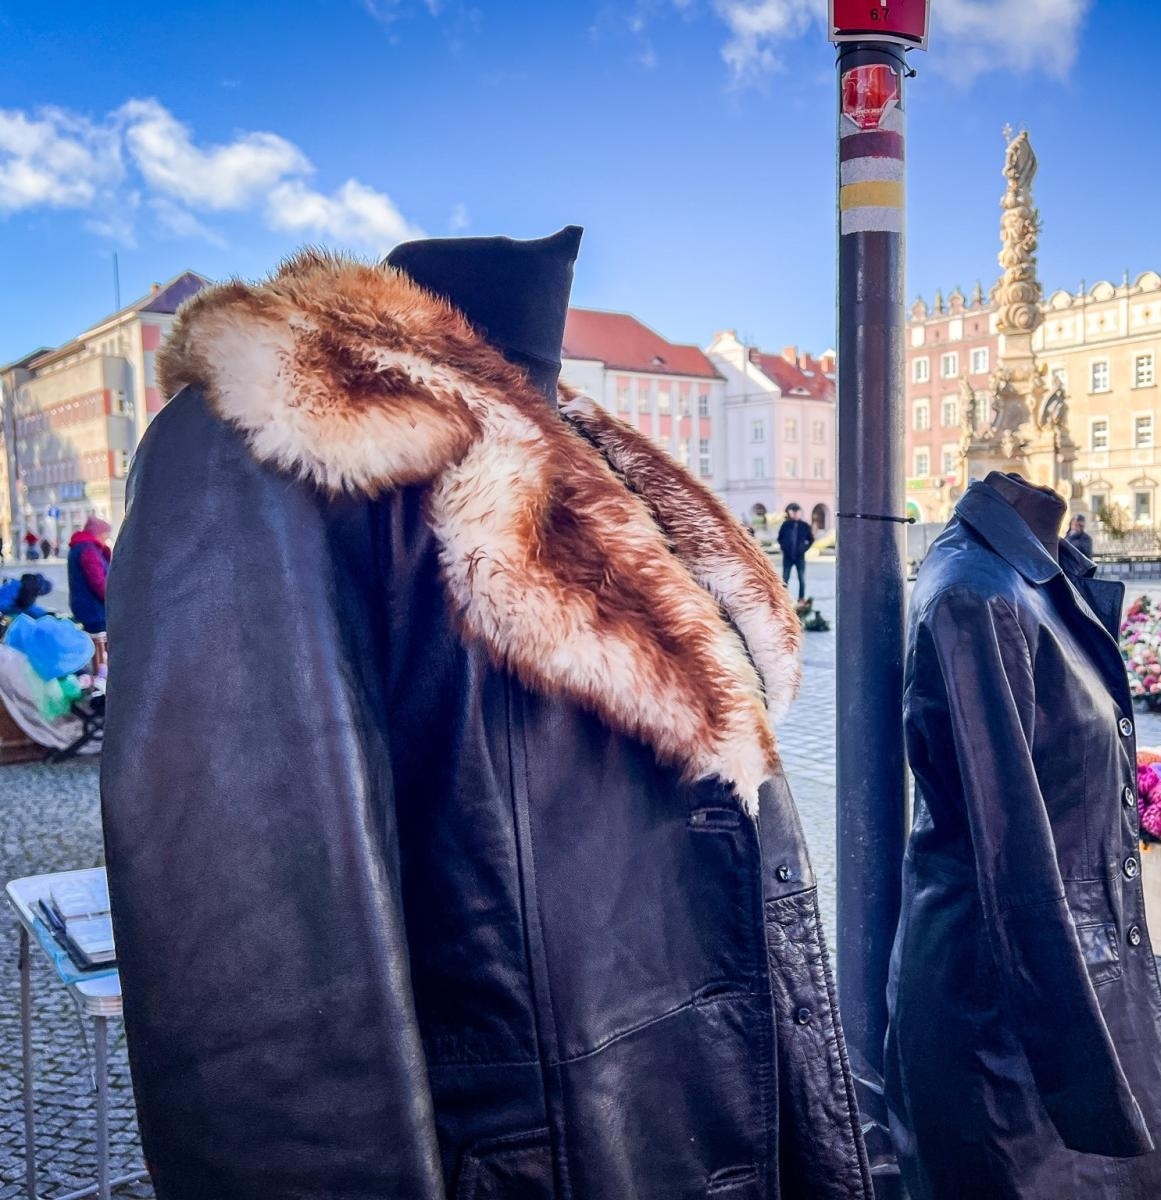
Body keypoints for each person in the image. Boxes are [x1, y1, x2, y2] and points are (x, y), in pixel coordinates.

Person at [102, 240, 870, 1198]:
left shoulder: (606, 463)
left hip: (684, 1130)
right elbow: (257, 976)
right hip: (535, 1162)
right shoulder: (279, 434)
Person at [887, 473, 1161, 1199]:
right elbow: (1010, 853)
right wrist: (1083, 1078)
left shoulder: (1029, 576)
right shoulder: (980, 595)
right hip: (1007, 1016)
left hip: (1049, 989)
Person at [67, 517, 112, 634]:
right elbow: (98, 583)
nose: (106, 539)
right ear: (98, 533)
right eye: (105, 535)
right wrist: (113, 599)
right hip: (95, 611)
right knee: (101, 648)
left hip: (87, 608)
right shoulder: (89, 550)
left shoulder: (82, 547)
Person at [777, 502, 814, 599]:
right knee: (785, 579)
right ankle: (784, 598)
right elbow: (780, 538)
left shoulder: (804, 526)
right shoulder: (785, 525)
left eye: (797, 512)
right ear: (790, 513)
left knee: (801, 579)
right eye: (793, 512)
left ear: (800, 513)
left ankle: (801, 598)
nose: (795, 514)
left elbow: (811, 539)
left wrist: (804, 549)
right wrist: (784, 547)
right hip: (787, 557)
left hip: (800, 557)